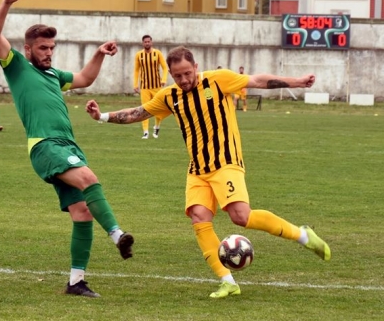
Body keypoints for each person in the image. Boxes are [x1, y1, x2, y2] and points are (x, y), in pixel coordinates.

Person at [85, 45, 331, 298]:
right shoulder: (170, 96)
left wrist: (297, 82)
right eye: (177, 76)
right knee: (199, 218)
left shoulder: (217, 80)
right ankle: (228, 281)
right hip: (198, 170)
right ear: (171, 74)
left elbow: (257, 80)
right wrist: (101, 116)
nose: (183, 80)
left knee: (241, 217)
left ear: (196, 67)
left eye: (187, 73)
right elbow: (139, 112)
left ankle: (303, 235)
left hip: (226, 163)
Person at [0, 0, 134, 298]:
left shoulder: (54, 74)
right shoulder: (17, 66)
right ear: (28, 50)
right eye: (42, 48)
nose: (48, 52)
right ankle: (117, 234)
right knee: (90, 179)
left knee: (82, 212)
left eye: (51, 47)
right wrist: (6, 2)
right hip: (45, 146)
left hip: (68, 145)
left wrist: (98, 54)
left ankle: (76, 282)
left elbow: (84, 79)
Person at [133, 35, 167, 139]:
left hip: (157, 86)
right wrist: (135, 84)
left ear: (151, 42)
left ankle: (156, 127)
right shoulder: (139, 55)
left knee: (158, 109)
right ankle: (146, 132)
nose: (147, 43)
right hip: (145, 87)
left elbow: (165, 68)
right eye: (145, 42)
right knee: (144, 109)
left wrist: (164, 80)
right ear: (142, 43)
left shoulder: (157, 53)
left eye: (148, 41)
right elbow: (136, 70)